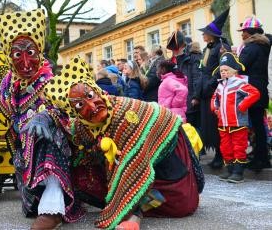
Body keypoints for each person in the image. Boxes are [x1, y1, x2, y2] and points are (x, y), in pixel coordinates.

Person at [42, 57, 203, 229]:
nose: (92, 106)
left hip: (168, 152)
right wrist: (44, 117)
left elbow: (133, 166)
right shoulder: (83, 125)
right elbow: (72, 131)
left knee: (176, 200)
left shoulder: (123, 114)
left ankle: (135, 215)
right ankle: (134, 210)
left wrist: (121, 210)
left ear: (98, 91)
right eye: (80, 105)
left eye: (90, 96)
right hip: (148, 164)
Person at [0, 8, 85, 229]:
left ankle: (53, 207)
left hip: (52, 148)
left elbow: (63, 109)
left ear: (39, 51)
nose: (25, 61)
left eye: (30, 52)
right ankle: (40, 200)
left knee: (46, 135)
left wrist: (45, 117)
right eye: (17, 54)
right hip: (24, 152)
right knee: (30, 207)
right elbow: (4, 105)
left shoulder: (50, 79)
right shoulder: (8, 83)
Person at [212, 52, 260, 182]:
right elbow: (214, 98)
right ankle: (230, 169)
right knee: (225, 146)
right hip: (223, 122)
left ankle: (238, 171)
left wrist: (243, 106)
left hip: (238, 121)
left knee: (239, 146)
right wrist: (215, 108)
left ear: (233, 71)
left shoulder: (239, 83)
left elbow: (255, 93)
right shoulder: (220, 85)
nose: (223, 72)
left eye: (226, 70)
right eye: (221, 70)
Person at [197, 8, 231, 169]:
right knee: (209, 126)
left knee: (217, 124)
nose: (203, 35)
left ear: (211, 34)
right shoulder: (208, 48)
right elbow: (202, 69)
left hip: (215, 91)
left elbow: (223, 68)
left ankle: (221, 155)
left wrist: (211, 83)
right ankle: (217, 152)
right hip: (205, 91)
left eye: (205, 32)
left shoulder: (222, 47)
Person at [237, 16, 271, 171]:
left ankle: (260, 159)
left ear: (249, 32)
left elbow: (240, 66)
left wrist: (229, 57)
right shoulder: (263, 45)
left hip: (252, 92)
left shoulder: (251, 47)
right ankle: (261, 156)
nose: (242, 35)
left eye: (243, 31)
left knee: (257, 127)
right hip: (261, 90)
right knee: (259, 126)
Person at [168, 30, 203, 126]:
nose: (173, 51)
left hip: (191, 101)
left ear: (181, 46)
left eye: (175, 47)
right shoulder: (174, 61)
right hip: (180, 104)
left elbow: (197, 77)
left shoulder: (193, 58)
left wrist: (196, 97)